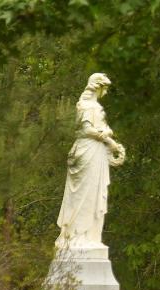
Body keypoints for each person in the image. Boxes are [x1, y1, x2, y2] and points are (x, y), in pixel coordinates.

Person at [55, 73, 126, 248]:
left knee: (94, 194)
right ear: (97, 86)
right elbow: (87, 130)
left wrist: (110, 141)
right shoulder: (86, 106)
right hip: (87, 152)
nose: (106, 92)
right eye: (105, 88)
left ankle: (91, 237)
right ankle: (76, 237)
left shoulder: (96, 107)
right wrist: (110, 141)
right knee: (82, 194)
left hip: (97, 153)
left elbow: (102, 129)